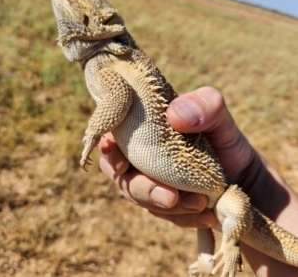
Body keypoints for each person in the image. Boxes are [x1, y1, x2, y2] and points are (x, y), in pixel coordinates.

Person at [98, 86, 298, 276]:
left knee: (228, 211)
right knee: (202, 215)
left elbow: (235, 212)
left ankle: (229, 245)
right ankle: (205, 261)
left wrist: (231, 241)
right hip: (209, 206)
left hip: (223, 195)